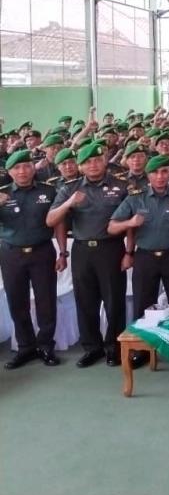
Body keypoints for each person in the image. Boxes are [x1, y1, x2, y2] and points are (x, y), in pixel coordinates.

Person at [108, 154, 169, 368]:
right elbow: (112, 226)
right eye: (155, 172)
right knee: (143, 304)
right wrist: (130, 222)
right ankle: (143, 349)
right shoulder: (135, 198)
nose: (160, 176)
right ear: (148, 175)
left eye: (164, 171)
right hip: (145, 257)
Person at [46, 142, 129, 367]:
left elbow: (132, 222)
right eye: (87, 161)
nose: (93, 165)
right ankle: (92, 347)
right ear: (80, 166)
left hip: (111, 249)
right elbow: (52, 220)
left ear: (105, 161)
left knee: (114, 301)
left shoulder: (121, 186)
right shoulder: (69, 189)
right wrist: (70, 203)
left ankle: (114, 346)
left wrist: (129, 251)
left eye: (97, 160)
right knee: (86, 301)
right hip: (82, 250)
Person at [0, 150, 65, 369]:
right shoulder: (2, 194)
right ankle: (26, 347)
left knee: (46, 300)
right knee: (17, 302)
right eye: (16, 168)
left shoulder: (48, 190)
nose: (22, 171)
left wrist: (63, 252)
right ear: (9, 172)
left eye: (26, 166)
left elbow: (58, 223)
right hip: (11, 253)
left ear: (33, 168)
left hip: (41, 251)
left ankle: (46, 346)